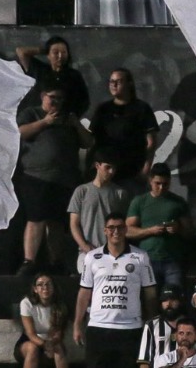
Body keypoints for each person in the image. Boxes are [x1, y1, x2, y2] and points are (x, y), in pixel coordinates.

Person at [74, 212, 156, 368]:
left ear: (125, 230)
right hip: (99, 328)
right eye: (111, 228)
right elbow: (84, 293)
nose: (116, 232)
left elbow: (149, 293)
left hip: (130, 329)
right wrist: (77, 324)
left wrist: (151, 322)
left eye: (120, 227)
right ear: (105, 230)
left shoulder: (140, 257)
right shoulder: (92, 257)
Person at [15, 87, 91, 273]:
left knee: (56, 222)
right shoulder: (31, 113)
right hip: (36, 176)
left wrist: (76, 124)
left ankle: (56, 261)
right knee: (36, 219)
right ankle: (29, 261)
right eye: (52, 98)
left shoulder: (68, 118)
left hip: (64, 179)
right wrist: (45, 122)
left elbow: (88, 142)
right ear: (43, 96)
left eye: (60, 98)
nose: (56, 102)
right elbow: (19, 133)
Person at [86, 69, 157, 188]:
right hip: (105, 174)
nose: (114, 85)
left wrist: (146, 168)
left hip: (131, 173)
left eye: (118, 81)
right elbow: (91, 140)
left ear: (129, 84)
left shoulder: (142, 108)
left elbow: (151, 143)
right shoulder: (103, 109)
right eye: (111, 81)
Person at [127, 164, 191, 292]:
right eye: (158, 183)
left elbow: (189, 231)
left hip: (172, 260)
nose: (161, 188)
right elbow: (127, 230)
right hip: (147, 260)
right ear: (150, 181)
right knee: (149, 298)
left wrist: (177, 228)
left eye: (165, 184)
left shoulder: (178, 202)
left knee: (174, 298)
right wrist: (150, 230)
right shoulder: (139, 201)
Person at [67, 153, 130, 270]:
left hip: (113, 253)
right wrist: (85, 246)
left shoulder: (120, 193)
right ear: (97, 165)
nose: (111, 172)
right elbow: (74, 223)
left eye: (114, 168)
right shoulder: (82, 191)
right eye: (107, 167)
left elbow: (125, 224)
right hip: (87, 252)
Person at [16, 273, 70, 368]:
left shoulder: (59, 305)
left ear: (53, 287)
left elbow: (59, 333)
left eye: (48, 284)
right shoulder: (27, 303)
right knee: (33, 348)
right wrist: (46, 346)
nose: (44, 288)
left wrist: (52, 343)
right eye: (40, 285)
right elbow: (30, 334)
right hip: (31, 341)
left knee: (59, 348)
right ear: (35, 289)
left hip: (51, 341)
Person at [15, 36, 91, 118]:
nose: (60, 56)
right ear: (48, 55)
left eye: (64, 52)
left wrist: (73, 117)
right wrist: (45, 50)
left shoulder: (74, 75)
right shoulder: (40, 69)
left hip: (64, 120)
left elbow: (84, 101)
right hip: (38, 118)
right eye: (55, 52)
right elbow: (21, 52)